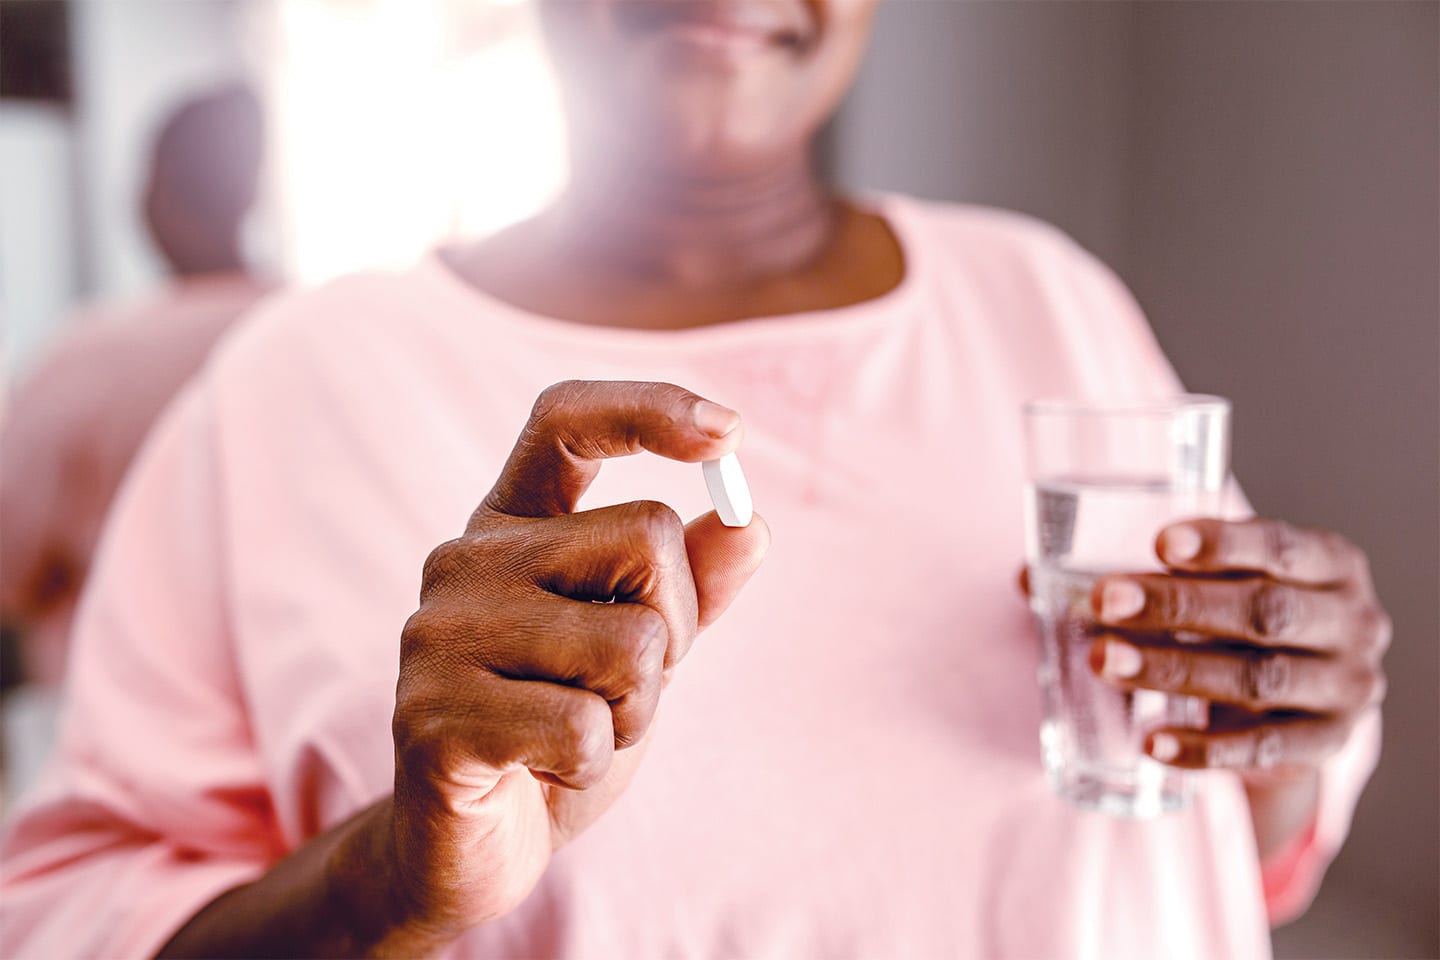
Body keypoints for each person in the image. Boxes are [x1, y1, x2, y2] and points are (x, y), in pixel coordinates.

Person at [0, 3, 1386, 957]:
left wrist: (1284, 710)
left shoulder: (1050, 295)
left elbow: (1217, 827)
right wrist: (392, 880)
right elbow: (73, 915)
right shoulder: (292, 385)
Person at [0, 83, 271, 690]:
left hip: (112, 732)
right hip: (297, 729)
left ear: (156, 195)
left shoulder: (82, 358)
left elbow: (10, 572)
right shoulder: (319, 329)